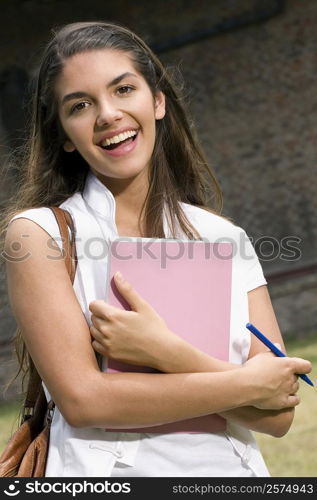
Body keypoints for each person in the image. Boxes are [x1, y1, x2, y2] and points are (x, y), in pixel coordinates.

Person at [1, 21, 312, 478]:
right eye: (81, 105)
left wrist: (166, 352)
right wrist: (246, 386)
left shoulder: (225, 237)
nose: (108, 114)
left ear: (158, 101)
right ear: (65, 134)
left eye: (124, 89)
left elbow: (279, 417)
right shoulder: (37, 235)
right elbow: (86, 401)